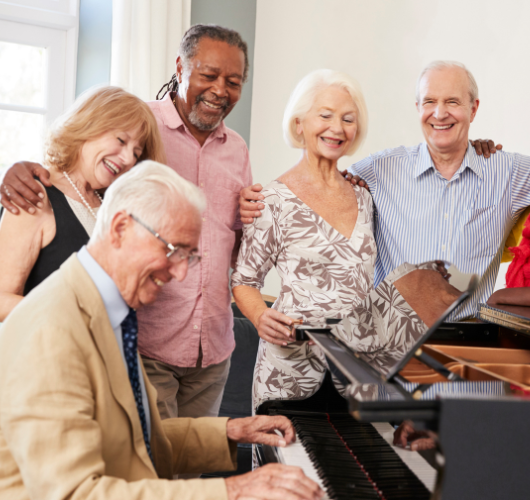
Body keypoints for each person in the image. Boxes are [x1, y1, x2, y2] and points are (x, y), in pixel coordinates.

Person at [0, 161, 324, 500]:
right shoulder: (51, 330)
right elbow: (74, 494)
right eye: (173, 250)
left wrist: (231, 430)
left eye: (189, 256)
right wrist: (234, 489)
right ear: (121, 228)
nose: (181, 273)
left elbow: (139, 443)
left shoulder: (112, 313)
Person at [0, 25, 253, 424]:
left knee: (183, 464)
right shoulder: (137, 123)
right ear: (181, 68)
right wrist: (17, 169)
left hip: (202, 348)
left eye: (233, 81)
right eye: (208, 75)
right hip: (122, 353)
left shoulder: (235, 150)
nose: (127, 156)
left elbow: (233, 239)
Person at [231, 70, 457, 410]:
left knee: (354, 463)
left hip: (357, 374)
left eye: (348, 119)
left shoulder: (365, 196)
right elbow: (245, 281)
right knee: (285, 463)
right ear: (299, 124)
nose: (337, 128)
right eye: (325, 115)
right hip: (289, 372)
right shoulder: (270, 200)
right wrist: (261, 318)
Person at [240, 61, 530, 322]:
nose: (439, 113)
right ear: (418, 108)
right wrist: (252, 201)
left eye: (452, 102)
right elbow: (318, 187)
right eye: (429, 101)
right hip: (390, 356)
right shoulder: (378, 171)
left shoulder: (506, 173)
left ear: (473, 109)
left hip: (473, 355)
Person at [0, 86, 165, 321]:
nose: (128, 159)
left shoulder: (112, 208)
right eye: (120, 140)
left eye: (136, 153)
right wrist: (72, 316)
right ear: (89, 126)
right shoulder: (35, 195)